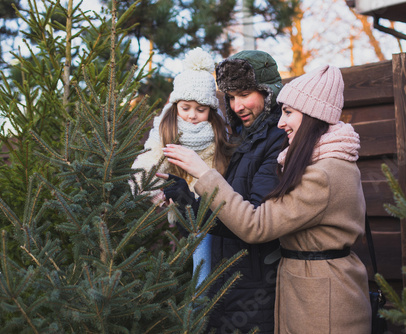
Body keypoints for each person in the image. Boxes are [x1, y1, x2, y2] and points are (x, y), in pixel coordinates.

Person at [159, 65, 372, 333]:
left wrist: (203, 172)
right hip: (303, 289)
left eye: (288, 113)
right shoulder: (307, 160)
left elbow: (257, 225)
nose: (281, 122)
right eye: (231, 98)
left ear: (312, 115)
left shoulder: (323, 173)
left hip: (323, 299)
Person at [164, 50, 286, 333]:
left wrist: (192, 191)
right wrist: (179, 197)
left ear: (268, 92)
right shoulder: (239, 138)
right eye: (230, 97)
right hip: (224, 280)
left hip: (254, 288)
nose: (237, 105)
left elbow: (252, 220)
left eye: (244, 94)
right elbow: (220, 212)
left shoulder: (278, 140)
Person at [130, 47, 232, 285]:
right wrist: (154, 191)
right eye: (185, 108)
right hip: (175, 207)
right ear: (176, 105)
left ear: (211, 109)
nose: (192, 115)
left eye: (201, 109)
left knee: (204, 265)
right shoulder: (166, 128)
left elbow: (222, 170)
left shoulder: (218, 131)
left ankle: (201, 303)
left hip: (207, 211)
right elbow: (147, 163)